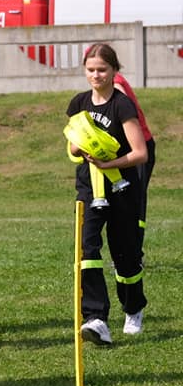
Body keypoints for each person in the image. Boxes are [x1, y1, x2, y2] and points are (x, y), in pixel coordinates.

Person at [67, 43, 148, 343]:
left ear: (115, 71)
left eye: (102, 69)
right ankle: (96, 317)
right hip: (88, 190)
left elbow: (139, 153)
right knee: (87, 252)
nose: (96, 75)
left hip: (122, 189)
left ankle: (133, 307)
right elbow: (73, 147)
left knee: (125, 256)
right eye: (91, 70)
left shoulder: (122, 104)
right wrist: (83, 143)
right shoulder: (78, 103)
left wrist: (108, 161)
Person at [113, 73, 156, 246]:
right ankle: (130, 251)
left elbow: (122, 105)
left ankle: (134, 252)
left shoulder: (116, 84)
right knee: (127, 200)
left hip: (137, 147)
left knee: (133, 201)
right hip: (130, 149)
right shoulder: (113, 81)